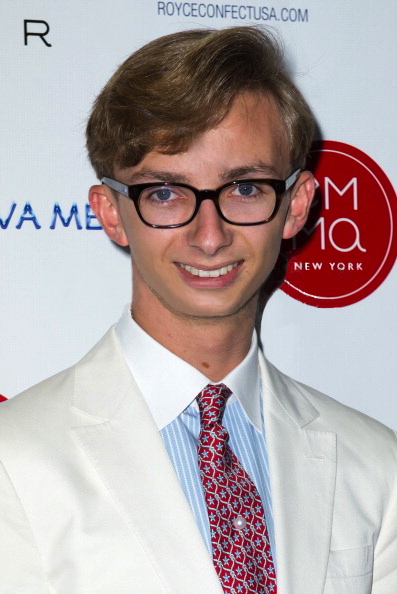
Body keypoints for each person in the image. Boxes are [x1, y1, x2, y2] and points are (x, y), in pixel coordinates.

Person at [0, 26, 396, 594]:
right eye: (165, 193)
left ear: (297, 206)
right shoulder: (13, 460)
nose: (209, 236)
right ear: (111, 213)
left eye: (245, 188)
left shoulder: (377, 467)